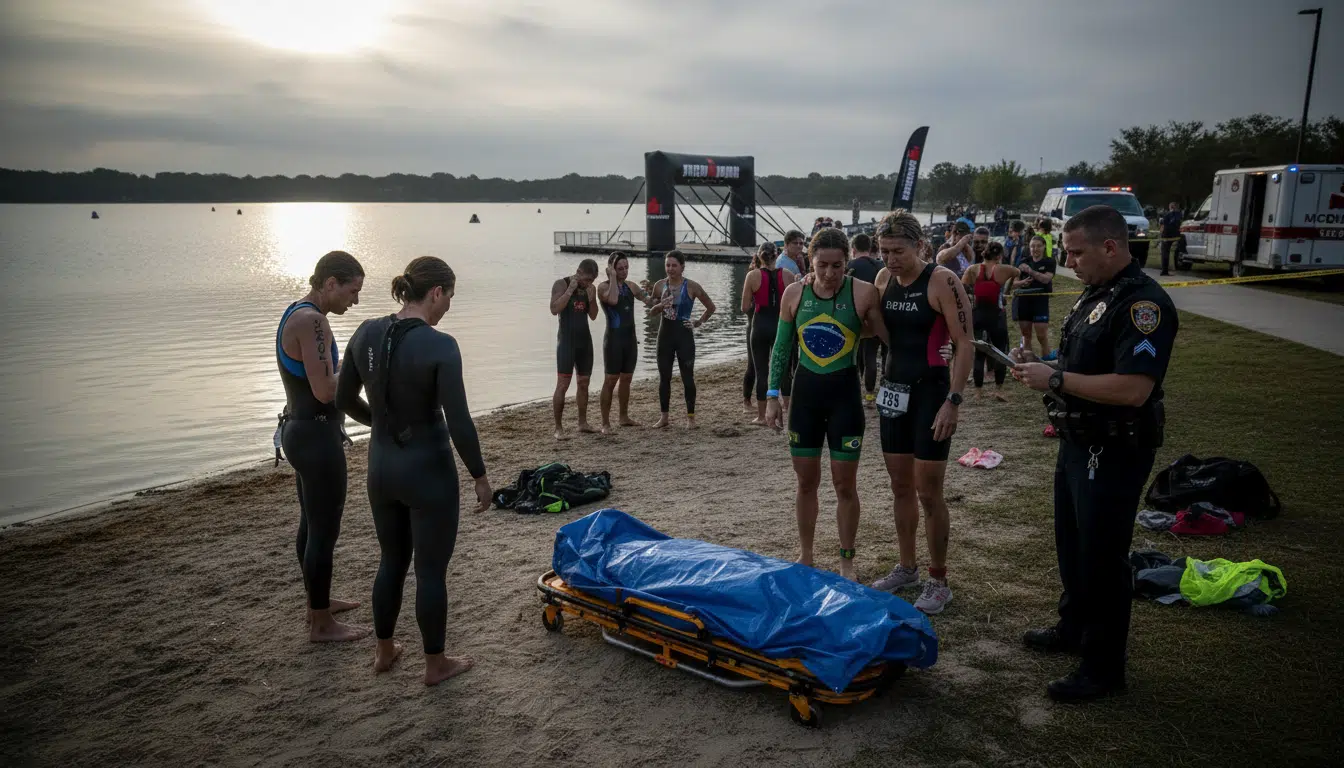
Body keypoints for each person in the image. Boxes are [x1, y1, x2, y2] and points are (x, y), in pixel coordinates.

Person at [1011, 205, 1177, 702]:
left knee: (1102, 555)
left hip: (1115, 446)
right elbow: (1080, 359)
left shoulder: (1143, 305)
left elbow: (1133, 389)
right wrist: (1042, 362)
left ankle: (1103, 667)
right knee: (1072, 542)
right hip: (1078, 441)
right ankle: (1075, 627)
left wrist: (1056, 379)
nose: (1068, 262)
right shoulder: (1096, 293)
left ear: (1110, 246)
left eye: (1076, 252)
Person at [336, 256, 493, 686]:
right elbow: (458, 421)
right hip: (428, 470)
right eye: (450, 297)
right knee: (429, 571)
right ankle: (435, 665)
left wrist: (381, 424)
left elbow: (342, 400)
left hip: (382, 468)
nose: (449, 307)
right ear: (436, 293)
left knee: (391, 560)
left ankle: (384, 651)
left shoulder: (365, 331)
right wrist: (479, 475)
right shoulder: (441, 345)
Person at [764, 228, 889, 581]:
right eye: (822, 265)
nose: (830, 273)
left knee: (844, 485)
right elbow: (781, 348)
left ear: (847, 262)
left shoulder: (863, 293)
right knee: (806, 483)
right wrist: (772, 396)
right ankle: (806, 554)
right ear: (810, 261)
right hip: (806, 397)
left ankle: (846, 559)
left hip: (844, 398)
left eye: (837, 265)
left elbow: (888, 335)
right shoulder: (794, 293)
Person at [868, 211, 973, 615]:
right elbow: (869, 322)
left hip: (932, 393)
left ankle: (938, 579)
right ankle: (907, 567)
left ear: (920, 246)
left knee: (928, 492)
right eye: (884, 251)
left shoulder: (942, 280)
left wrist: (954, 400)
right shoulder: (883, 279)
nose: (890, 259)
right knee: (900, 487)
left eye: (898, 251)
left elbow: (964, 343)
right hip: (893, 391)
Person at [275, 250, 369, 643]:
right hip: (314, 437)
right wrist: (359, 366)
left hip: (302, 431)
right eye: (353, 290)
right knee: (324, 530)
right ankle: (321, 624)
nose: (356, 300)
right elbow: (326, 391)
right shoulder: (313, 321)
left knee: (311, 524)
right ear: (331, 283)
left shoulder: (296, 313)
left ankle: (319, 603)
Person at [649, 251, 715, 429]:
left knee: (688, 378)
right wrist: (660, 305)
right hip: (665, 336)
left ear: (682, 267)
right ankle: (664, 418)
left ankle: (691, 419)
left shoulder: (692, 286)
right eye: (667, 265)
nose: (670, 269)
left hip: (684, 336)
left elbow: (711, 307)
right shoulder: (659, 285)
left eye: (674, 265)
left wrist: (698, 322)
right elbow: (652, 312)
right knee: (664, 377)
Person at [597, 253, 654, 434]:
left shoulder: (631, 286)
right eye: (620, 268)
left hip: (630, 340)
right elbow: (613, 300)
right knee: (610, 380)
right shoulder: (603, 287)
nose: (624, 271)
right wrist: (613, 278)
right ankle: (605, 423)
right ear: (611, 269)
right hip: (613, 341)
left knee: (627, 379)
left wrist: (654, 292)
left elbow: (650, 302)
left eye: (626, 267)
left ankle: (623, 417)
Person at [741, 242, 796, 424]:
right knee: (785, 370)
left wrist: (756, 300)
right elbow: (795, 304)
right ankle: (789, 411)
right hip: (782, 324)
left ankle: (761, 416)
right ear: (777, 255)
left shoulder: (752, 276)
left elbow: (744, 307)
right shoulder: (788, 275)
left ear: (759, 255)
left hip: (760, 325)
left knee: (761, 371)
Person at [549, 259, 600, 439]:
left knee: (584, 383)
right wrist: (570, 290)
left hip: (584, 342)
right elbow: (554, 309)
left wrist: (592, 298)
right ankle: (558, 428)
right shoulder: (561, 284)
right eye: (586, 279)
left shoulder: (590, 289)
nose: (588, 283)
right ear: (578, 272)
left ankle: (582, 423)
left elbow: (593, 315)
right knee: (563, 385)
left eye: (591, 281)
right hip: (566, 342)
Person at [962, 242, 1017, 401]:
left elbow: (963, 286)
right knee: (1000, 352)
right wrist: (1006, 290)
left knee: (979, 354)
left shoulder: (973, 269)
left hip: (978, 314)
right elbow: (1018, 271)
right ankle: (998, 390)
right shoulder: (1004, 269)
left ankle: (978, 392)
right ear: (999, 256)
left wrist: (973, 295)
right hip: (997, 316)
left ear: (984, 253)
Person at [845, 232, 883, 407]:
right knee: (871, 356)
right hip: (876, 317)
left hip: (852, 317)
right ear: (869, 247)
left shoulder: (848, 266)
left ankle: (857, 392)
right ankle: (869, 395)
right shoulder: (880, 266)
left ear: (853, 249)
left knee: (855, 357)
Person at [1012, 235, 1057, 359]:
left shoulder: (1049, 261)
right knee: (1026, 335)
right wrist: (1022, 283)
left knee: (1041, 336)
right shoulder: (1022, 261)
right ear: (1029, 247)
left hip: (1040, 301)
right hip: (1023, 301)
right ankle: (1028, 362)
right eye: (1032, 246)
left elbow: (1046, 279)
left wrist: (1030, 271)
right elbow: (1013, 284)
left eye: (1038, 246)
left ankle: (1047, 361)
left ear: (1044, 247)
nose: (1035, 249)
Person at [1158, 202, 1183, 276]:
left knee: (1165, 252)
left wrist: (1161, 234)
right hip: (1176, 236)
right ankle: (1178, 266)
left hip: (1166, 236)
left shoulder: (1167, 215)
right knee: (1177, 251)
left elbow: (1162, 225)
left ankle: (1164, 271)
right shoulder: (1179, 214)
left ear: (1171, 207)